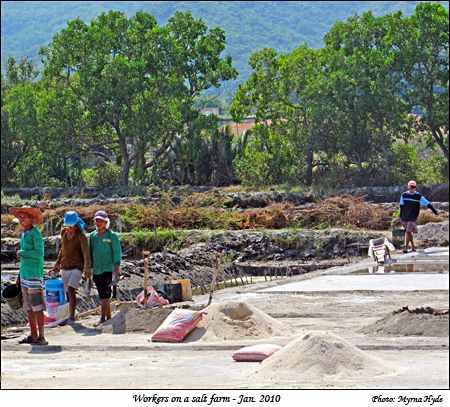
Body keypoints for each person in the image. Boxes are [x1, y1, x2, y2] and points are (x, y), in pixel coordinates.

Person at [9, 206, 48, 345]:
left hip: (34, 276)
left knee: (37, 307)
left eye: (25, 217)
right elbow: (24, 258)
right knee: (29, 307)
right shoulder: (24, 234)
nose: (22, 220)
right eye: (20, 217)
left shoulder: (36, 234)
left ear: (31, 219)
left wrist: (23, 253)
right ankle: (33, 335)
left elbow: (39, 254)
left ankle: (42, 337)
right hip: (25, 275)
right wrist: (19, 275)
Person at [52, 211, 91, 323]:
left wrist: (87, 268)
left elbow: (86, 253)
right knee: (67, 291)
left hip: (77, 267)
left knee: (70, 289)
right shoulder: (64, 232)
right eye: (67, 225)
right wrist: (57, 263)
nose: (69, 228)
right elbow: (62, 249)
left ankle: (72, 317)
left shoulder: (81, 236)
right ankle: (71, 313)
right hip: (65, 266)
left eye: (71, 225)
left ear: (75, 224)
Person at [89, 210, 122, 326]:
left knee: (105, 295)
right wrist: (88, 268)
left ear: (105, 222)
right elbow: (90, 252)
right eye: (96, 220)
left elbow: (117, 252)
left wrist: (117, 267)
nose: (98, 223)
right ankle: (109, 317)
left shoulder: (111, 235)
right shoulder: (92, 236)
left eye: (100, 221)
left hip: (108, 269)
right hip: (97, 269)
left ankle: (102, 319)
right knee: (103, 295)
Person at [399, 180, 438, 253]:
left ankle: (406, 248)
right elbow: (401, 205)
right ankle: (413, 247)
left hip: (413, 216)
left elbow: (427, 203)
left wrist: (434, 210)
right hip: (404, 216)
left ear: (415, 187)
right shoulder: (404, 195)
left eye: (414, 187)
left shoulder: (418, 196)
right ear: (408, 187)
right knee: (409, 233)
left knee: (408, 231)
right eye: (411, 186)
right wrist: (400, 216)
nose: (412, 188)